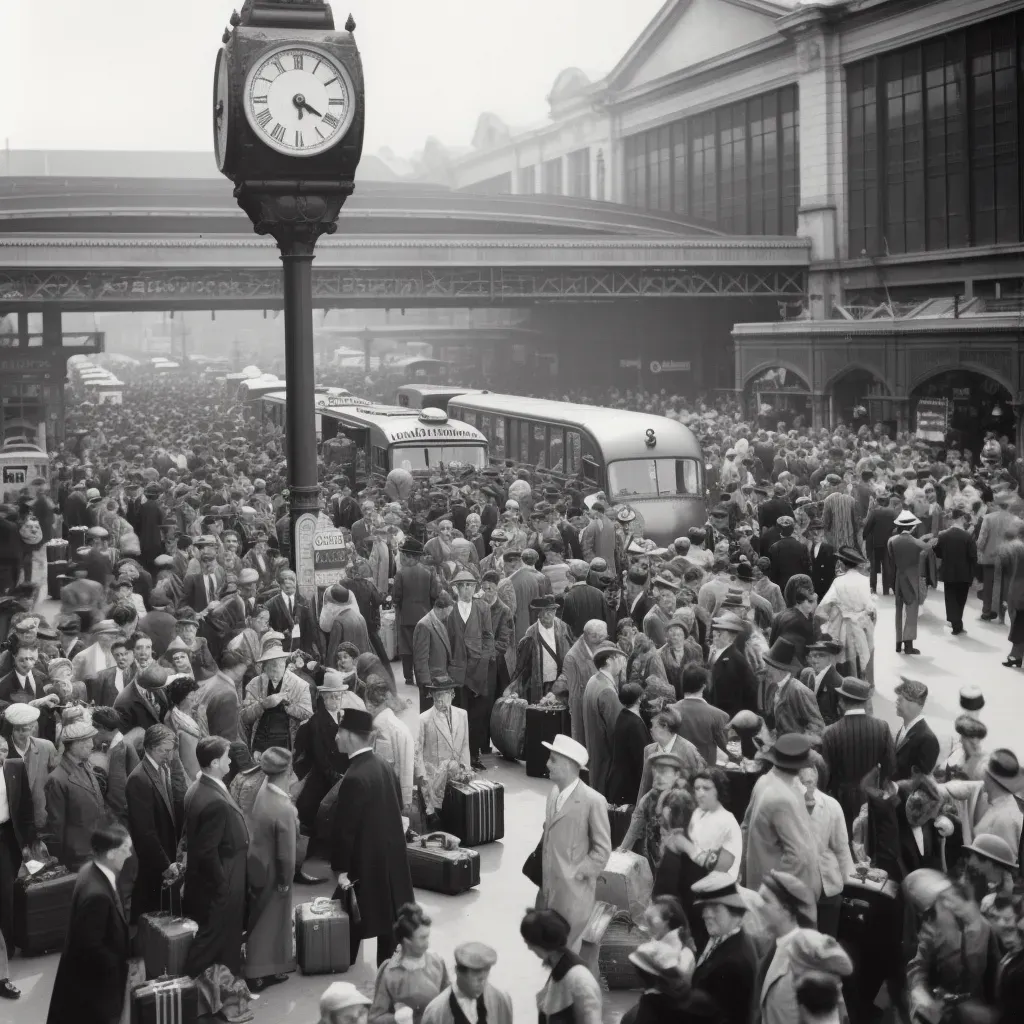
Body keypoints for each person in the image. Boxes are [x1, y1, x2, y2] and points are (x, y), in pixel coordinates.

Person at [329, 707, 415, 967]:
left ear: (352, 736)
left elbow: (345, 831)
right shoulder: (382, 765)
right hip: (389, 855)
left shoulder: (354, 777)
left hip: (366, 861)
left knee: (353, 909)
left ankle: (339, 955)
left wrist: (341, 869)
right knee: (388, 911)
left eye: (339, 732)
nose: (336, 737)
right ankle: (386, 963)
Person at [182, 735, 252, 1023]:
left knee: (219, 937)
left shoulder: (198, 788)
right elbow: (207, 851)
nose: (231, 761)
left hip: (215, 877)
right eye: (226, 757)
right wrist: (223, 886)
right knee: (214, 938)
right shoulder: (215, 801)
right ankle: (190, 992)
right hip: (223, 877)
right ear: (214, 763)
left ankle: (219, 993)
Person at [45, 821, 133, 1024]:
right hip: (94, 995)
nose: (129, 855)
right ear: (111, 853)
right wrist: (119, 966)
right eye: (125, 849)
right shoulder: (97, 896)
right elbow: (91, 947)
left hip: (80, 988)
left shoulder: (89, 871)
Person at [536, 734, 612, 956]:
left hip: (574, 893)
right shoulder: (553, 794)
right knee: (554, 946)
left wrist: (578, 873)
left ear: (569, 764)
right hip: (551, 887)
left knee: (568, 948)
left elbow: (602, 849)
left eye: (553, 760)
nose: (547, 764)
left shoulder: (593, 801)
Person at [244, 746, 298, 992]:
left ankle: (269, 967)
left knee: (260, 918)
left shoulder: (263, 790)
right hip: (274, 871)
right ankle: (258, 970)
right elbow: (286, 854)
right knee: (271, 921)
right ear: (287, 770)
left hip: (257, 862)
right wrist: (286, 880)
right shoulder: (283, 808)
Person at [741, 734, 821, 898]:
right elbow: (799, 856)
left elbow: (745, 828)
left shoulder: (764, 781)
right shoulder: (784, 797)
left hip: (758, 884)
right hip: (777, 896)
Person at [124, 723, 184, 923]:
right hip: (153, 861)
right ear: (149, 747)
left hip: (166, 852)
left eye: (171, 751)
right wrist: (164, 864)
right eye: (164, 751)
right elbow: (145, 832)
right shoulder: (139, 779)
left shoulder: (163, 767)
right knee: (149, 910)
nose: (169, 756)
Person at [820, 676, 895, 831]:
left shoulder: (830, 733)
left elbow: (825, 773)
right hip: (871, 798)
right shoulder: (882, 727)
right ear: (865, 702)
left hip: (840, 800)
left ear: (841, 701)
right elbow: (890, 766)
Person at [689, 872, 759, 1024]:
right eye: (705, 907)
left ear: (734, 910)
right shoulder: (721, 939)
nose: (706, 914)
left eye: (715, 908)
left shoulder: (734, 962)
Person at [44, 706, 107, 869]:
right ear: (75, 745)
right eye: (87, 741)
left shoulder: (86, 766)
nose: (92, 745)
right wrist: (60, 860)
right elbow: (56, 827)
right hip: (78, 857)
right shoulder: (57, 779)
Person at [756, 871, 821, 1024]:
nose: (759, 907)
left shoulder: (808, 960)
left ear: (786, 910)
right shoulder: (774, 944)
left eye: (765, 900)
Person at [369, 903, 450, 1024]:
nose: (428, 943)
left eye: (428, 937)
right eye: (422, 938)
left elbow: (449, 997)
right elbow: (375, 1018)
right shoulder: (390, 973)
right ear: (407, 941)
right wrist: (396, 1019)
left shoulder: (436, 961)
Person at [521, 907, 604, 1024]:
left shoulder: (579, 979)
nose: (529, 947)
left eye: (530, 942)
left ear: (543, 942)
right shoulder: (556, 972)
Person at [798, 763, 853, 937]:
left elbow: (842, 847)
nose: (808, 786)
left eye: (811, 781)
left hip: (827, 886)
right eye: (803, 782)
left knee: (826, 939)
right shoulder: (786, 805)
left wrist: (847, 882)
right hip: (798, 885)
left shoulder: (831, 805)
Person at [447, 568, 494, 769]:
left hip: (478, 669)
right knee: (457, 712)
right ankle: (457, 755)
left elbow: (488, 636)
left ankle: (474, 755)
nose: (466, 590)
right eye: (462, 586)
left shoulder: (482, 608)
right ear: (456, 588)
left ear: (475, 588)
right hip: (457, 669)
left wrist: (484, 658)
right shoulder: (449, 609)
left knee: (477, 715)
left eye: (470, 585)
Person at [416, 676, 471, 826]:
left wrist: (467, 769)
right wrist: (421, 777)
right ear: (432, 696)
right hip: (433, 779)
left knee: (458, 817)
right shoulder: (424, 719)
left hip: (456, 775)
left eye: (444, 694)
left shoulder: (462, 714)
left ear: (452, 694)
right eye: (436, 695)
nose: (439, 699)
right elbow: (418, 752)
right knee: (436, 822)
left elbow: (465, 744)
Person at [241, 641, 313, 754]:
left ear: (285, 663)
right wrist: (263, 705)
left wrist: (288, 705)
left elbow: (308, 714)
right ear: (264, 667)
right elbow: (244, 717)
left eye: (279, 664)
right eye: (271, 665)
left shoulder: (300, 685)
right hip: (260, 743)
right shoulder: (255, 684)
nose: (275, 668)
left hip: (286, 743)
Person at [0, 735, 36, 952]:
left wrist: (30, 841)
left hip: (5, 836)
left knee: (5, 891)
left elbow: (25, 806)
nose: (1, 754)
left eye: (4, 750)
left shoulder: (15, 767)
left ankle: (8, 946)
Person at [420, 941, 513, 1024]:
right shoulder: (435, 1012)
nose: (482, 984)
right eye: (477, 978)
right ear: (458, 971)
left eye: (485, 977)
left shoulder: (501, 1000)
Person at [581, 642, 626, 797]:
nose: (621, 663)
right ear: (608, 661)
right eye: (619, 659)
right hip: (605, 758)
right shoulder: (607, 690)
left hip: (594, 753)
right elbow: (616, 729)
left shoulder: (593, 680)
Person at [394, 539, 441, 686]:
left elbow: (396, 597)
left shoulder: (400, 574)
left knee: (406, 647)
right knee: (423, 647)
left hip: (406, 617)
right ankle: (422, 676)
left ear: (408, 556)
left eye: (402, 555)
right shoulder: (429, 572)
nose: (401, 558)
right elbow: (435, 594)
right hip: (426, 616)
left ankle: (408, 677)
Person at [670, 665, 731, 767]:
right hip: (705, 771)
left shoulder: (669, 710)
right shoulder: (720, 715)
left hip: (677, 769)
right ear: (704, 686)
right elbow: (727, 747)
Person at [605, 681, 651, 807]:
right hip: (629, 783)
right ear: (638, 699)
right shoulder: (635, 724)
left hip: (619, 779)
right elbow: (641, 756)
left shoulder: (623, 715)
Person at [934, 507, 977, 635]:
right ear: (962, 518)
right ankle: (957, 622)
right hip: (964, 572)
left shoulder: (943, 534)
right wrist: (974, 574)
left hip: (948, 571)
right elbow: (973, 556)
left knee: (950, 597)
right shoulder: (967, 537)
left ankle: (955, 622)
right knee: (961, 598)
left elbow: (937, 551)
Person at [412, 594, 454, 714]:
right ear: (441, 609)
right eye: (448, 611)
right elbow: (420, 659)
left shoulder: (437, 621)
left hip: (439, 681)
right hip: (432, 684)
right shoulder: (424, 625)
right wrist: (426, 687)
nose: (449, 615)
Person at [893, 676, 940, 779]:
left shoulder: (928, 739)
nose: (896, 701)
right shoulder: (904, 729)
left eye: (901, 699)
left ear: (914, 704)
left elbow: (920, 782)